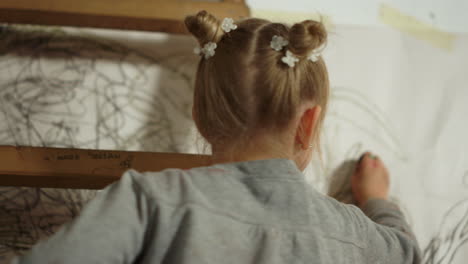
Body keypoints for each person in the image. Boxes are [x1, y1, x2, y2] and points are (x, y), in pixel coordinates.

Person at [12, 11, 421, 264]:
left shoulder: (152, 200)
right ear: (309, 124)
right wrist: (376, 200)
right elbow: (406, 252)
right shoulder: (352, 232)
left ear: (199, 116)